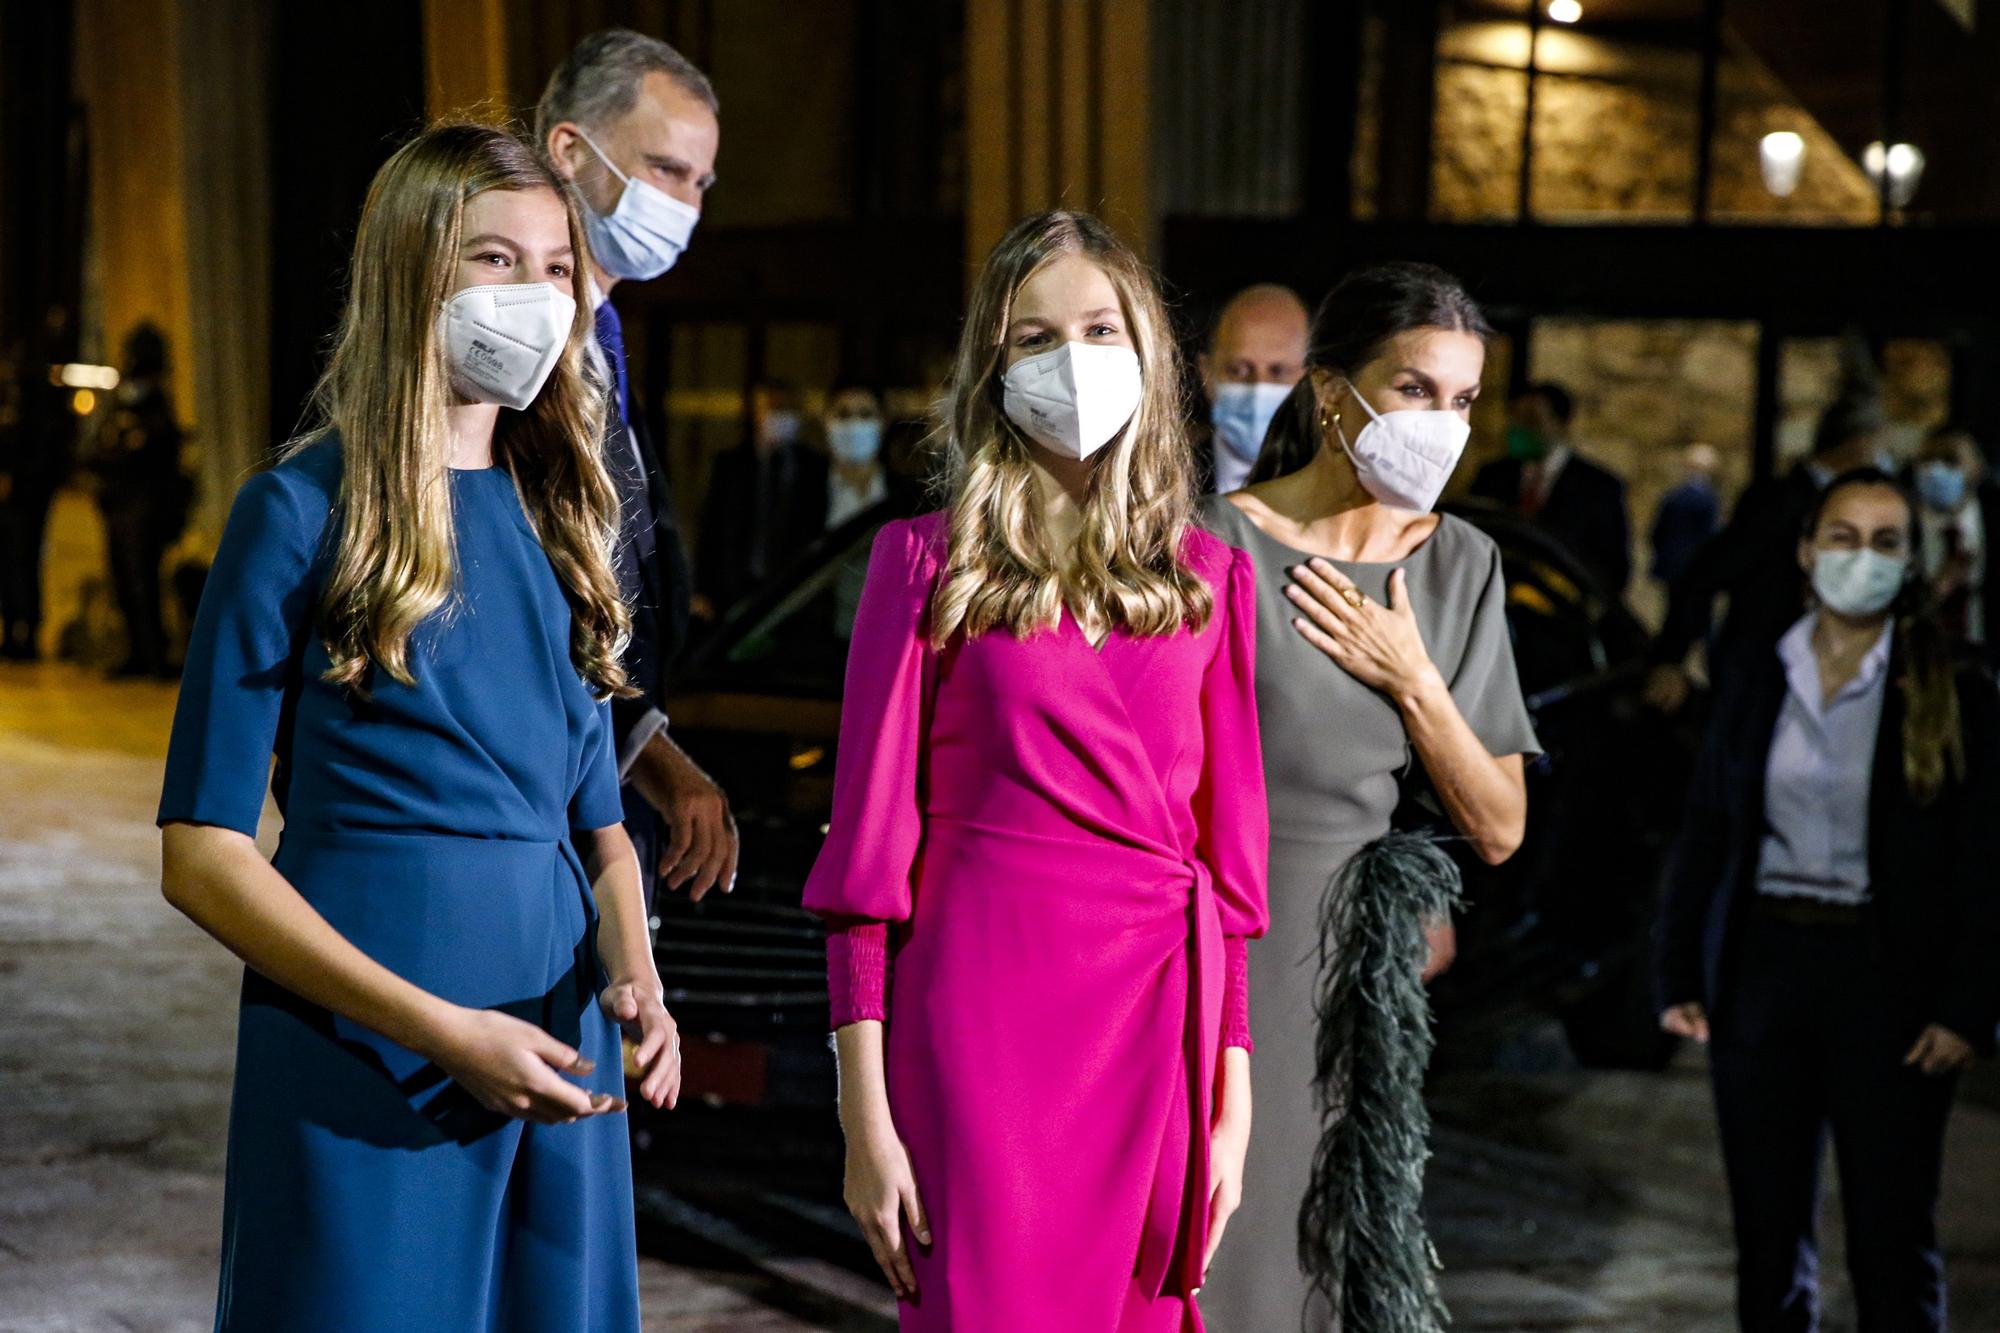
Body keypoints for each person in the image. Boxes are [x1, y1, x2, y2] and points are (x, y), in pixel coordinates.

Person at [155, 124, 681, 1330]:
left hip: (555, 1048)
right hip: (372, 1051)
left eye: (558, 268)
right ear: (412, 277)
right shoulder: (294, 511)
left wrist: (638, 974)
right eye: (495, 259)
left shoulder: (563, 523)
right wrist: (438, 1030)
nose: (537, 298)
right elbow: (202, 852)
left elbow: (596, 822)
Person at [805, 210, 1269, 1330]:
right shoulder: (920, 564)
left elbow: (1228, 869)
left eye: (1100, 329)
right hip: (977, 1027)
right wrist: (862, 1118)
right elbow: (863, 871)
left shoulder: (1210, 580)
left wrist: (1233, 1100)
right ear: (990, 367)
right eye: (1034, 337)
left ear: (1148, 356)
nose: (1072, 359)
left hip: (1160, 1025)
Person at [1197, 261, 1539, 1331]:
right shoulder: (1208, 542)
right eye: (1413, 391)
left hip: (1343, 975)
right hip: (1202, 949)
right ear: (1331, 389)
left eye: (1462, 400)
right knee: (1201, 1253)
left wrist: (1412, 678)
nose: (1441, 423)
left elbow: (1497, 825)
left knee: (1312, 1264)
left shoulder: (1459, 565)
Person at [1657, 468, 2000, 1333]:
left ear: (1913, 562)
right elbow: (1704, 825)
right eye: (1844, 536)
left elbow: (1985, 861)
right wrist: (1677, 968)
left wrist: (1970, 1006)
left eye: (1887, 542)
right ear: (1808, 551)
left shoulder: (1953, 687)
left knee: (1891, 1236)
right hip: (1765, 968)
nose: (1863, 558)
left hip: (1887, 979)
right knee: (1768, 1239)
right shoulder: (1757, 670)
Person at [539, 28, 737, 908]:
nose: (686, 205)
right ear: (570, 151)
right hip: (536, 821)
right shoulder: (511, 350)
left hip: (604, 816)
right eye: (664, 171)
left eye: (700, 183)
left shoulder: (607, 344)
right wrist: (644, 744)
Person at [1646, 393, 1890, 714]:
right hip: (1763, 680)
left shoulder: (1852, 504)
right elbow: (1705, 573)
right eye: (1879, 444)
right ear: (1858, 443)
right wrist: (1670, 658)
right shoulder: (1777, 502)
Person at [82, 322, 190, 677]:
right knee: (125, 583)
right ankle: (137, 653)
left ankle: (153, 654)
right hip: (120, 503)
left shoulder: (155, 401)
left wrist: (121, 450)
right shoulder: (125, 398)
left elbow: (145, 451)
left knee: (143, 584)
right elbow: (104, 448)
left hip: (145, 507)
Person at [1470, 381, 1631, 596]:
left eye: (1532, 420)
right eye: (1515, 418)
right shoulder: (1492, 476)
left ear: (1561, 423)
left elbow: (1612, 567)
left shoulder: (1598, 487)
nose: (1521, 428)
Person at [696, 379, 831, 616]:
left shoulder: (814, 466)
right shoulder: (731, 464)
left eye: (788, 409)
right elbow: (711, 527)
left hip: (792, 589)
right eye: (774, 408)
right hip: (735, 586)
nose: (781, 417)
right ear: (757, 412)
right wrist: (702, 590)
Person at [1195, 283, 1310, 495]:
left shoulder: (1339, 488)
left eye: (1278, 371)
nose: (1259, 388)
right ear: (1207, 374)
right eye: (1239, 370)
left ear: (1312, 380)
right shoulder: (1163, 482)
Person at [1911, 423, 1998, 657]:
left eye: (1950, 460)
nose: (1936, 469)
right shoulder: (1902, 525)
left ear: (1977, 468)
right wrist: (1937, 589)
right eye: (1927, 460)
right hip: (1925, 660)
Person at [1650, 440, 1721, 587]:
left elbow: (1658, 531)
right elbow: (1708, 532)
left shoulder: (1674, 496)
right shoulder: (1707, 499)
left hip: (1672, 565)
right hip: (1697, 567)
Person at [822, 382, 893, 528]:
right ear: (825, 421)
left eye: (866, 414)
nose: (854, 423)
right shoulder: (801, 493)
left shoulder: (903, 494)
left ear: (884, 422)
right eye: (843, 414)